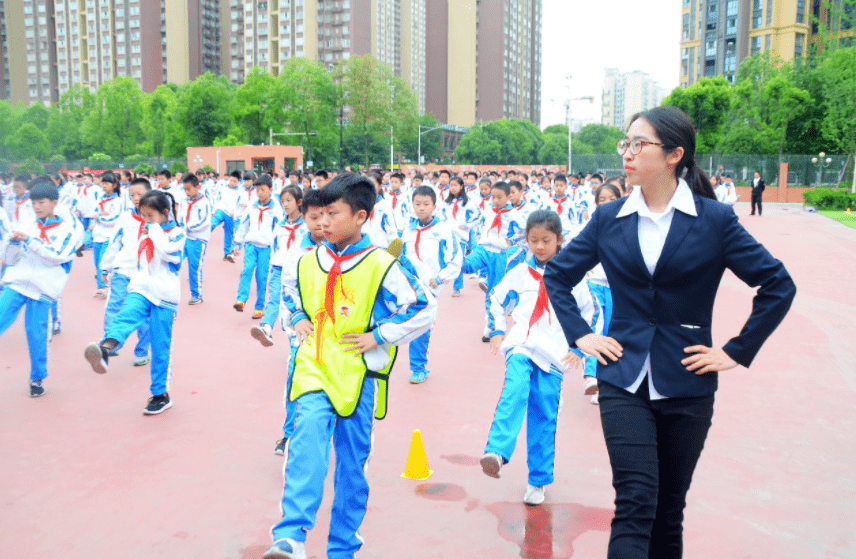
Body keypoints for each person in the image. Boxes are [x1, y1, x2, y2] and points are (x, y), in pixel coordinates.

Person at [544, 106, 796, 558]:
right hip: (621, 377)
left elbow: (777, 284)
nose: (628, 152)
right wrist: (581, 335)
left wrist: (736, 350)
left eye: (640, 144)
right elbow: (558, 276)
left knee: (667, 512)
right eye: (626, 143)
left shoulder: (715, 221)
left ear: (674, 154)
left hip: (688, 380)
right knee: (635, 503)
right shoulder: (609, 219)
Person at [263, 173, 437, 559]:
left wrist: (380, 335)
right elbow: (290, 294)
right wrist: (295, 318)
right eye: (318, 213)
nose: (321, 221)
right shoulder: (308, 259)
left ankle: (343, 547)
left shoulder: (382, 264)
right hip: (313, 366)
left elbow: (424, 306)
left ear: (360, 216)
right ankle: (290, 535)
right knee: (305, 438)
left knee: (351, 465)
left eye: (332, 213)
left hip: (359, 376)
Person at [480, 210, 592, 505]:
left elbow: (589, 312)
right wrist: (497, 329)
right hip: (522, 346)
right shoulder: (519, 272)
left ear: (559, 240)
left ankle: (537, 481)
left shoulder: (573, 277)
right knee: (514, 391)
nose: (539, 247)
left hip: (554, 355)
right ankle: (497, 451)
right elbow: (495, 298)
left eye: (546, 240)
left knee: (544, 416)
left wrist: (578, 347)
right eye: (533, 240)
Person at [84, 189, 186, 415]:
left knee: (160, 348)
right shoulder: (146, 231)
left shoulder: (177, 233)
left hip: (165, 295)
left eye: (151, 215)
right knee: (125, 315)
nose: (146, 221)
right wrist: (110, 269)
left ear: (165, 212)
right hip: (141, 288)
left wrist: (154, 229)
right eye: (144, 216)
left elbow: (170, 252)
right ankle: (105, 349)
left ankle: (160, 394)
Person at [0, 180, 76, 397]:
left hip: (43, 287)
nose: (36, 207)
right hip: (17, 282)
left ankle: (37, 377)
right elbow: (9, 258)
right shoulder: (26, 223)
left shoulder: (67, 230)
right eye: (33, 203)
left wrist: (31, 241)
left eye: (41, 202)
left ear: (54, 202)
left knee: (36, 333)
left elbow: (56, 256)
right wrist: (12, 244)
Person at [272, 189, 326, 455]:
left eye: (326, 216)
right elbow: (287, 287)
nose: (320, 223)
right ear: (304, 217)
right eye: (314, 217)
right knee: (296, 380)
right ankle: (288, 435)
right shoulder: (298, 250)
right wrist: (297, 318)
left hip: (334, 332)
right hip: (303, 332)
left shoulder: (340, 246)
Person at [400, 185, 462, 383]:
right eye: (417, 204)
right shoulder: (407, 231)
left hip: (430, 286)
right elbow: (401, 256)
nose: (421, 208)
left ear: (434, 206)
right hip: (407, 285)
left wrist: (441, 277)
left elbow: (454, 257)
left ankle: (418, 367)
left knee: (422, 325)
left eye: (426, 204)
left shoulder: (443, 230)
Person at [461, 181, 524, 342]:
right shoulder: (488, 210)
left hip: (499, 254)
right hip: (483, 249)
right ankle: (453, 255)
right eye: (493, 197)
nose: (495, 200)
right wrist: (476, 237)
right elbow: (479, 223)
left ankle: (491, 327)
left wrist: (510, 241)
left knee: (493, 292)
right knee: (465, 265)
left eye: (499, 197)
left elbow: (524, 231)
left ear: (508, 197)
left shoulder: (514, 214)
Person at [100, 178, 153, 367]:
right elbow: (114, 242)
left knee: (144, 315)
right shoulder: (125, 218)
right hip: (124, 270)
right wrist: (105, 267)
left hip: (146, 274)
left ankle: (141, 352)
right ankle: (109, 345)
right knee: (114, 306)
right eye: (132, 195)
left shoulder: (156, 218)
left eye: (140, 194)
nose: (136, 198)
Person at [582, 183, 622, 405]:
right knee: (595, 327)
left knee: (610, 331)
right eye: (602, 200)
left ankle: (605, 381)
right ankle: (590, 376)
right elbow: (574, 248)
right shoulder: (591, 225)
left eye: (612, 198)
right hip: (594, 284)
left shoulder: (628, 224)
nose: (607, 203)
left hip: (617, 287)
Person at [251, 185, 305, 346]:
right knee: (274, 297)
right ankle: (266, 327)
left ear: (299, 202)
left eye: (289, 200)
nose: (285, 204)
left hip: (298, 271)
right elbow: (275, 247)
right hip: (279, 268)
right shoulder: (280, 226)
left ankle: (295, 338)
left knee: (295, 304)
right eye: (282, 201)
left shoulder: (306, 226)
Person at [232, 175, 283, 318]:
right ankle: (241, 300)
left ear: (270, 190)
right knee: (247, 270)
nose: (259, 193)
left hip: (266, 248)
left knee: (261, 277)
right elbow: (244, 223)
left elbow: (279, 229)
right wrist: (238, 242)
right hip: (251, 244)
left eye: (263, 190)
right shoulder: (252, 205)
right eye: (257, 190)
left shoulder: (276, 207)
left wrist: (278, 250)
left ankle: (259, 307)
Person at [441, 177, 479, 297]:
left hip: (461, 236)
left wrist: (467, 225)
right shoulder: (446, 202)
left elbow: (478, 215)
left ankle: (457, 286)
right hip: (448, 235)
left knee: (459, 261)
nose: (453, 188)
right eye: (451, 185)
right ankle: (446, 274)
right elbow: (439, 214)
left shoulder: (468, 202)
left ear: (462, 186)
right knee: (445, 257)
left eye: (455, 185)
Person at [179, 173, 212, 305]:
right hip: (185, 237)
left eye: (189, 189)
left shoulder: (204, 202)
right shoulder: (184, 201)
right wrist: (182, 227)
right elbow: (181, 216)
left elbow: (205, 221)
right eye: (185, 189)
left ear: (196, 187)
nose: (187, 192)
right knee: (175, 261)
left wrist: (190, 228)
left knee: (194, 267)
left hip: (198, 239)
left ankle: (196, 294)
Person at [92, 173, 123, 299]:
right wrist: (101, 215)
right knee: (97, 262)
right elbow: (94, 213)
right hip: (97, 236)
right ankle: (102, 285)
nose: (104, 186)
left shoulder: (118, 201)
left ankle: (104, 286)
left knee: (105, 261)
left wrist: (100, 217)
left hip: (108, 236)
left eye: (107, 183)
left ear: (114, 185)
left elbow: (113, 219)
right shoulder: (100, 199)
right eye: (102, 183)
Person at [211, 171, 243, 261]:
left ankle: (226, 253)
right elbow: (217, 199)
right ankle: (205, 232)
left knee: (229, 234)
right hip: (221, 210)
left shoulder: (240, 191)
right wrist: (214, 210)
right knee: (214, 222)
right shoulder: (222, 188)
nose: (232, 183)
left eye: (234, 181)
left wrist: (235, 213)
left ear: (238, 182)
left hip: (231, 214)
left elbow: (239, 204)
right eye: (231, 180)